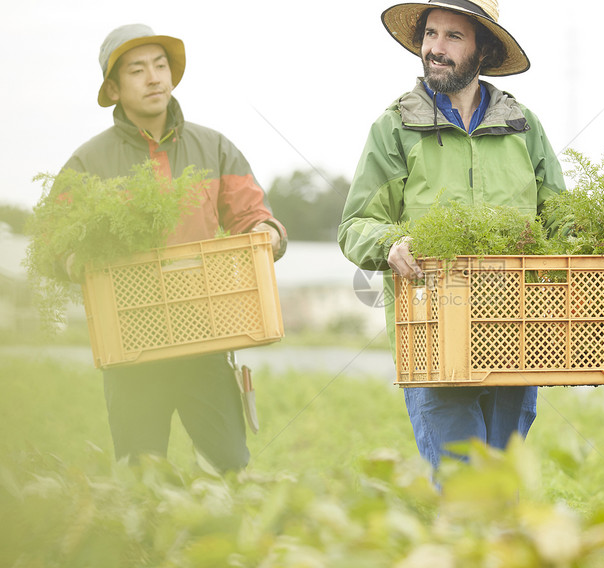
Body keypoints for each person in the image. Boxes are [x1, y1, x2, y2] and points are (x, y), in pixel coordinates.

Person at [338, 0, 566, 470]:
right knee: (463, 487)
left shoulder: (523, 127)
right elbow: (355, 224)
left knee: (504, 484)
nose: (435, 50)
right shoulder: (394, 127)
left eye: (453, 37)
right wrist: (389, 244)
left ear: (482, 50)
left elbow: (560, 219)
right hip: (433, 337)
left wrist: (603, 252)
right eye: (430, 35)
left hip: (517, 335)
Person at [56, 24, 287, 472]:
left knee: (229, 469)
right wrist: (72, 261)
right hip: (130, 341)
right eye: (138, 70)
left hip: (206, 333)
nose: (154, 77)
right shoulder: (88, 162)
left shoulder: (214, 147)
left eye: (161, 66)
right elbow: (54, 240)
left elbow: (251, 215)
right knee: (142, 476)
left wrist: (269, 233)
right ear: (113, 87)